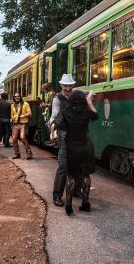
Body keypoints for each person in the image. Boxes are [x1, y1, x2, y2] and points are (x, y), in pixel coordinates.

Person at [52, 90, 97, 215]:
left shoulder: (65, 112)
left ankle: (69, 205)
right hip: (86, 146)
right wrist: (89, 101)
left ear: (71, 100)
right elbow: (95, 114)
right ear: (83, 100)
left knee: (71, 176)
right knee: (86, 175)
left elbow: (56, 123)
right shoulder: (87, 112)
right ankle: (85, 203)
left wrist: (52, 132)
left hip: (72, 147)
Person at [51, 74, 76, 207]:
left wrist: (91, 95)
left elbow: (91, 91)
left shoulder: (76, 94)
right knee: (63, 166)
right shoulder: (57, 99)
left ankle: (75, 190)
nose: (68, 88)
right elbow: (54, 115)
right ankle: (57, 195)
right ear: (61, 86)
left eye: (70, 86)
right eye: (65, 86)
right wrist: (53, 128)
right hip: (64, 134)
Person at [10, 93, 32, 160]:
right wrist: (12, 118)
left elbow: (30, 113)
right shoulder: (12, 105)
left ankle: (29, 153)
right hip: (15, 124)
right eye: (15, 96)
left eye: (18, 96)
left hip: (23, 123)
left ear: (20, 97)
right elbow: (12, 114)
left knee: (22, 137)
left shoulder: (25, 104)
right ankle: (17, 154)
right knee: (14, 139)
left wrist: (24, 115)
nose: (17, 97)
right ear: (14, 97)